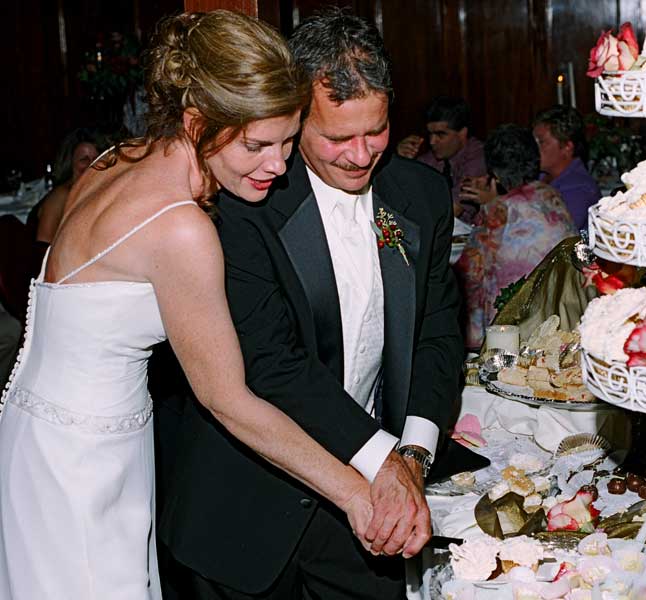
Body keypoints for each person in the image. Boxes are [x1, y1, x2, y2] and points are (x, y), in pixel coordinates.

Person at [0, 11, 379, 599]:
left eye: (286, 142)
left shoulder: (114, 159)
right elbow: (228, 400)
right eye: (257, 145)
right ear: (197, 119)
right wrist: (355, 492)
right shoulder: (182, 231)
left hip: (41, 432)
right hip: (85, 463)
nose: (278, 167)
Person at [158, 9, 462, 600]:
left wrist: (414, 456)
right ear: (296, 118)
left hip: (371, 504)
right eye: (336, 137)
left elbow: (436, 332)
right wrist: (383, 462)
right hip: (243, 507)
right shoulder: (244, 201)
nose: (360, 154)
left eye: (374, 132)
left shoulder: (421, 197)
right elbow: (271, 362)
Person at [455, 123, 576, 349]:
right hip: (558, 316)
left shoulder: (498, 211)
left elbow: (469, 274)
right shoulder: (551, 195)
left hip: (516, 326)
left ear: (496, 174)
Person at [396, 96, 487, 224]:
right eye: (430, 134)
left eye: (440, 134)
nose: (432, 142)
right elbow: (402, 200)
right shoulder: (432, 157)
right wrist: (400, 162)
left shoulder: (477, 157)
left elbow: (451, 211)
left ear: (462, 133)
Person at [533, 105, 601, 230]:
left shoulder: (579, 189)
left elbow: (554, 237)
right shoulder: (540, 176)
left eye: (541, 142)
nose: (533, 148)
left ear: (567, 147)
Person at [30, 128, 104, 243]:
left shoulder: (95, 191)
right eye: (84, 159)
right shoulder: (61, 196)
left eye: (96, 158)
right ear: (70, 163)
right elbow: (43, 245)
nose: (91, 164)